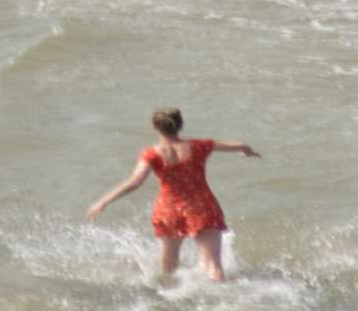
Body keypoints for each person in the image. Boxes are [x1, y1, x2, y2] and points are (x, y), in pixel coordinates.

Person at [85, 107, 260, 282]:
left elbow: (135, 181)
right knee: (213, 266)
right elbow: (239, 145)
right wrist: (247, 151)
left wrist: (103, 202)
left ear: (154, 127)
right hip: (202, 207)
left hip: (169, 210)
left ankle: (171, 299)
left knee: (169, 266)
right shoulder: (199, 146)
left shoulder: (151, 154)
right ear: (180, 125)